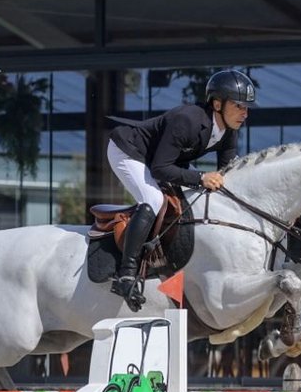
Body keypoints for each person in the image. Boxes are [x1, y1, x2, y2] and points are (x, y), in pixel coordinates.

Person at [105, 69, 256, 309]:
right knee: (153, 200)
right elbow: (160, 169)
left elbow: (228, 175)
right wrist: (200, 177)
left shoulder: (229, 131)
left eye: (247, 108)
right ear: (217, 104)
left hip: (163, 160)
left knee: (194, 197)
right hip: (129, 151)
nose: (244, 114)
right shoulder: (187, 120)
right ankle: (126, 275)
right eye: (239, 106)